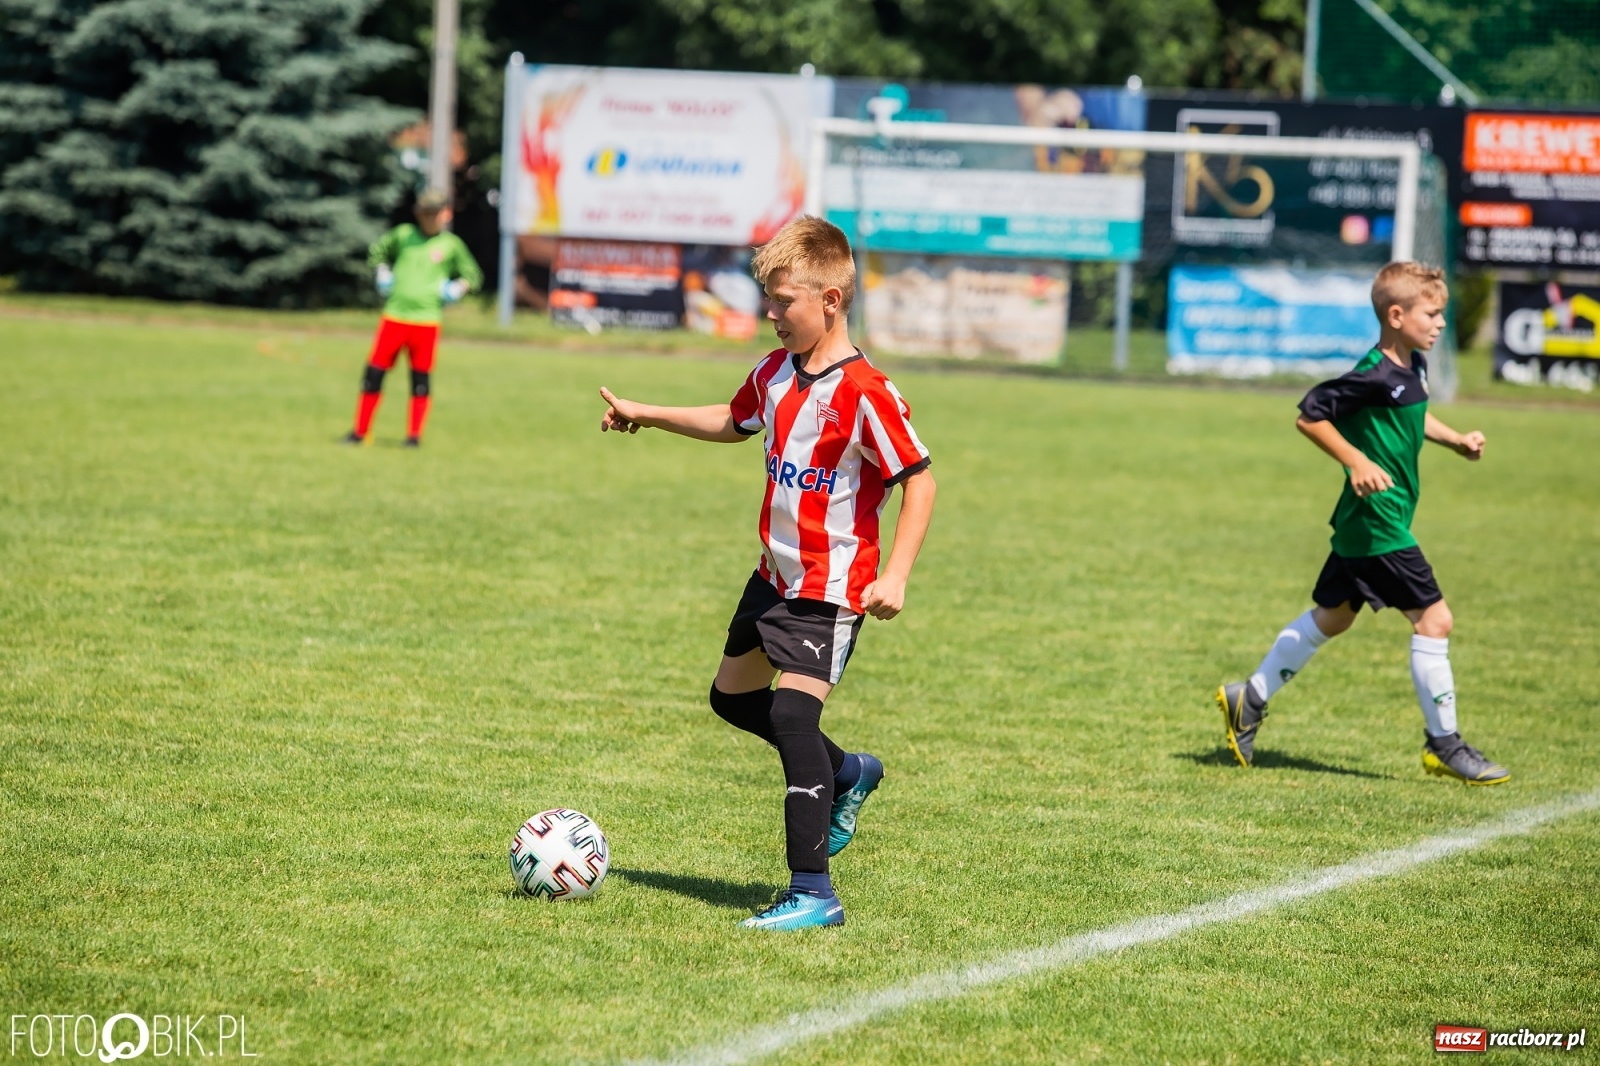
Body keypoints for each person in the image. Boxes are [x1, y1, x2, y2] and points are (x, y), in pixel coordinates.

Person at [597, 216, 938, 930]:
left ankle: (813, 893)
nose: (772, 314)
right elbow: (733, 417)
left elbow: (920, 480)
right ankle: (848, 772)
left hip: (833, 585)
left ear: (832, 301)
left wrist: (896, 576)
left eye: (785, 302)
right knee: (731, 700)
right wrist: (647, 414)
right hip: (773, 577)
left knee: (791, 714)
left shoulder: (867, 391)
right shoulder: (777, 373)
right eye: (770, 301)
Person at [1216, 262, 1508, 785]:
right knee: (1434, 621)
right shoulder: (1373, 373)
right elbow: (1310, 415)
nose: (1441, 323)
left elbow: (1412, 415)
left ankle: (1250, 697)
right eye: (1433, 314)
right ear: (1396, 315)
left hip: (1365, 524)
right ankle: (1444, 744)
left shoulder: (1410, 366)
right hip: (1378, 525)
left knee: (1334, 617)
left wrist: (1456, 439)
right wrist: (1355, 460)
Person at [343, 189, 483, 447]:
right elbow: (377, 252)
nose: (429, 218)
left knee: (420, 379)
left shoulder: (451, 245)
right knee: (373, 374)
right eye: (425, 212)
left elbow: (473, 275)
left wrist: (458, 288)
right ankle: (360, 432)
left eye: (434, 213)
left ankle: (413, 436)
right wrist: (382, 272)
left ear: (446, 213)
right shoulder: (403, 235)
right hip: (395, 316)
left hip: (427, 321)